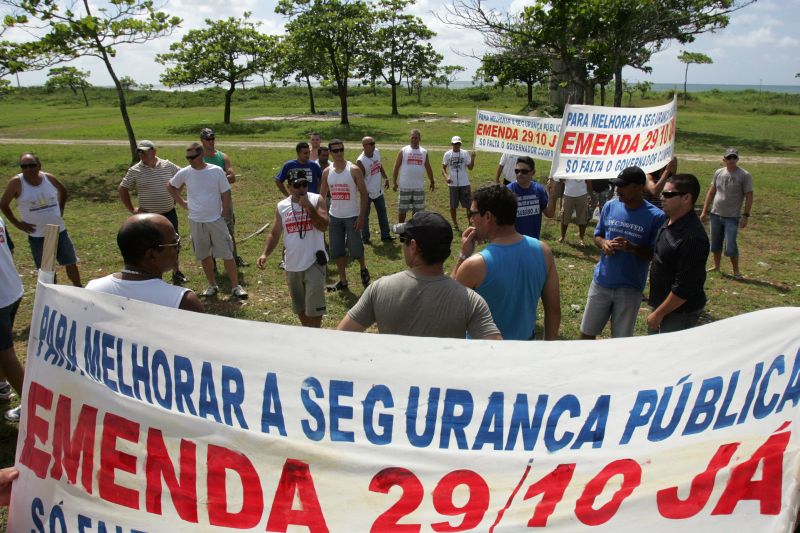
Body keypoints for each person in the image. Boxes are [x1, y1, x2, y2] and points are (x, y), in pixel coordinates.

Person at [338, 211, 501, 340]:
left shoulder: (379, 290)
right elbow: (499, 354)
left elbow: (338, 338)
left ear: (414, 246)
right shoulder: (471, 302)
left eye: (404, 239)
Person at [452, 184, 560, 340]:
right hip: (525, 347)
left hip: (485, 354)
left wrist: (463, 255)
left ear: (488, 217)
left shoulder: (475, 265)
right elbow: (553, 310)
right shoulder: (543, 251)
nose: (471, 219)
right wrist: (547, 349)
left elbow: (448, 302)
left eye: (473, 213)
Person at [580, 166, 667, 339]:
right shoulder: (611, 206)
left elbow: (656, 255)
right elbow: (597, 235)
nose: (617, 190)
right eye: (617, 185)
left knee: (620, 343)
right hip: (602, 282)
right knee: (586, 335)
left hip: (630, 288)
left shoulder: (656, 217)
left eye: (622, 186)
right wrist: (604, 243)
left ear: (638, 187)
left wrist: (633, 248)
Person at [167, 142, 247, 299]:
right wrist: (182, 202)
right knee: (204, 255)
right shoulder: (185, 172)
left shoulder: (216, 171)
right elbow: (170, 186)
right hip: (196, 221)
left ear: (201, 154)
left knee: (227, 253)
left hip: (216, 219)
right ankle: (212, 285)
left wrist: (225, 213)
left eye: (193, 156)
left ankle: (236, 286)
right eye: (187, 157)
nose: (189, 160)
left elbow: (225, 194)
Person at [86, 213, 204, 312]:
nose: (179, 248)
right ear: (152, 254)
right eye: (175, 244)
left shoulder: (93, 289)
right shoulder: (182, 301)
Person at [257, 170, 329, 327]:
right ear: (289, 187)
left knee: (314, 309)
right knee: (299, 307)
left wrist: (309, 208)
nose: (302, 189)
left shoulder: (317, 200)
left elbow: (323, 226)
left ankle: (314, 336)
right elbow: (275, 233)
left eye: (304, 184)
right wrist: (264, 254)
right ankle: (307, 332)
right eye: (297, 185)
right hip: (292, 264)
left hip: (313, 262)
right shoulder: (282, 206)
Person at [0, 152, 82, 286]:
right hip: (38, 235)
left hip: (58, 230)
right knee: (47, 270)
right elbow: (3, 204)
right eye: (24, 166)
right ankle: (50, 294)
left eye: (32, 165)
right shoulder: (16, 182)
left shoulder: (48, 178)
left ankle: (79, 288)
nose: (28, 169)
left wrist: (61, 208)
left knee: (70, 262)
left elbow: (63, 190)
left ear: (39, 165)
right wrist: (18, 224)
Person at [118, 140, 188, 285]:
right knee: (148, 247)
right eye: (139, 151)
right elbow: (122, 189)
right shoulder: (135, 170)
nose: (141, 154)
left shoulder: (167, 165)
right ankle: (149, 274)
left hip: (168, 213)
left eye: (144, 151)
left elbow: (184, 177)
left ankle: (176, 272)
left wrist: (176, 195)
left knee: (172, 244)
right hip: (147, 218)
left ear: (154, 151)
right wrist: (133, 209)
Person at [647, 174, 709, 334]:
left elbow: (684, 287)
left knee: (667, 356)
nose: (661, 197)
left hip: (679, 313)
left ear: (686, 198)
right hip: (662, 306)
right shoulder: (669, 221)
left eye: (668, 194)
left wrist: (658, 314)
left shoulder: (692, 238)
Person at [319, 139, 370, 291]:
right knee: (337, 249)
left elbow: (364, 194)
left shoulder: (353, 169)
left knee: (356, 248)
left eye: (341, 149)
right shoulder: (327, 172)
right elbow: (321, 196)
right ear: (330, 153)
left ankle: (363, 268)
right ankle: (343, 280)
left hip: (352, 216)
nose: (339, 153)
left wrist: (361, 217)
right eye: (335, 151)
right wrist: (322, 214)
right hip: (334, 217)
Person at [700, 148, 754, 279]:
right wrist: (704, 211)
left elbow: (749, 195)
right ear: (724, 159)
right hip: (716, 213)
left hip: (732, 216)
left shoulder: (744, 175)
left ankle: (736, 271)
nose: (731, 160)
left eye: (734, 158)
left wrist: (745, 216)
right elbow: (712, 191)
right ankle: (716, 266)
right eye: (729, 158)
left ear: (737, 159)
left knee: (730, 245)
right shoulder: (718, 172)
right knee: (715, 243)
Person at [200, 128, 245, 267]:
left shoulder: (222, 157)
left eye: (213, 138)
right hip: (207, 201)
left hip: (224, 200)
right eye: (208, 139)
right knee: (208, 233)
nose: (211, 141)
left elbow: (232, 177)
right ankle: (212, 262)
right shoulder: (198, 158)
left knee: (229, 230)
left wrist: (215, 178)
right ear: (202, 140)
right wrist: (220, 178)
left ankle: (234, 257)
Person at [0, 215, 25, 422]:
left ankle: (30, 403)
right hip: (12, 290)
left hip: (1, 298)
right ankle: (1, 385)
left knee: (6, 354)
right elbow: (10, 247)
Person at [356, 136, 393, 244]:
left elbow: (379, 165)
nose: (373, 145)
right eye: (370, 144)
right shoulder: (361, 161)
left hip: (378, 191)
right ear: (364, 146)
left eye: (374, 143)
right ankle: (365, 238)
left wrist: (385, 177)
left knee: (382, 213)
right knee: (364, 216)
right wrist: (364, 194)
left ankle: (385, 236)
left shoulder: (376, 152)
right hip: (367, 193)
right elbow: (360, 179)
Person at [507, 156, 555, 240]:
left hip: (533, 242)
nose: (519, 174)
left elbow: (549, 214)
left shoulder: (539, 190)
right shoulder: (508, 191)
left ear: (533, 172)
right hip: (512, 243)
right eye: (517, 171)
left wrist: (551, 197)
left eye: (524, 171)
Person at [392, 129, 434, 223]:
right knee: (402, 210)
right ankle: (401, 230)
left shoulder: (424, 152)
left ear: (420, 139)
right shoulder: (403, 150)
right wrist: (394, 182)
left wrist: (432, 181)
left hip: (419, 187)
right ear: (410, 139)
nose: (414, 140)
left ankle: (415, 230)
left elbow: (428, 167)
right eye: (412, 138)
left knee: (418, 212)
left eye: (416, 138)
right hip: (405, 186)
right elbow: (396, 166)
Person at [442, 135, 476, 230]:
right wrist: (446, 177)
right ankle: (455, 224)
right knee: (453, 205)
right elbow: (443, 168)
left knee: (469, 205)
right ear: (452, 144)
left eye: (458, 144)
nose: (456, 145)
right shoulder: (447, 154)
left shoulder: (465, 153)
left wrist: (473, 158)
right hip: (453, 184)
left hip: (464, 183)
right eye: (455, 144)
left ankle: (470, 223)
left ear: (460, 144)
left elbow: (470, 168)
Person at [555, 176, 592, 246]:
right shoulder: (567, 165)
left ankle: (581, 239)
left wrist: (590, 194)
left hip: (582, 194)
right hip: (568, 194)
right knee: (565, 216)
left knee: (583, 217)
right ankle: (562, 237)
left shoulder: (585, 165)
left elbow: (589, 180)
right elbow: (561, 180)